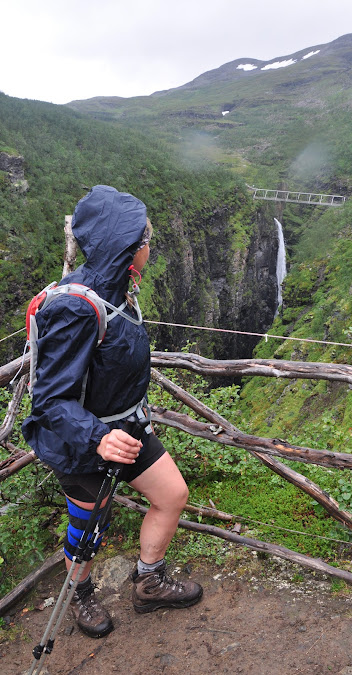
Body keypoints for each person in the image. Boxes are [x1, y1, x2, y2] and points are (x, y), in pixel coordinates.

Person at [22, 185, 202, 638]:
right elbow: (48, 399)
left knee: (171, 495)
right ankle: (81, 597)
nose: (149, 248)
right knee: (86, 534)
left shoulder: (118, 288)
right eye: (144, 241)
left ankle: (148, 581)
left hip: (126, 426)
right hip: (83, 444)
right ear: (124, 247)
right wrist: (96, 437)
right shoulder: (75, 308)